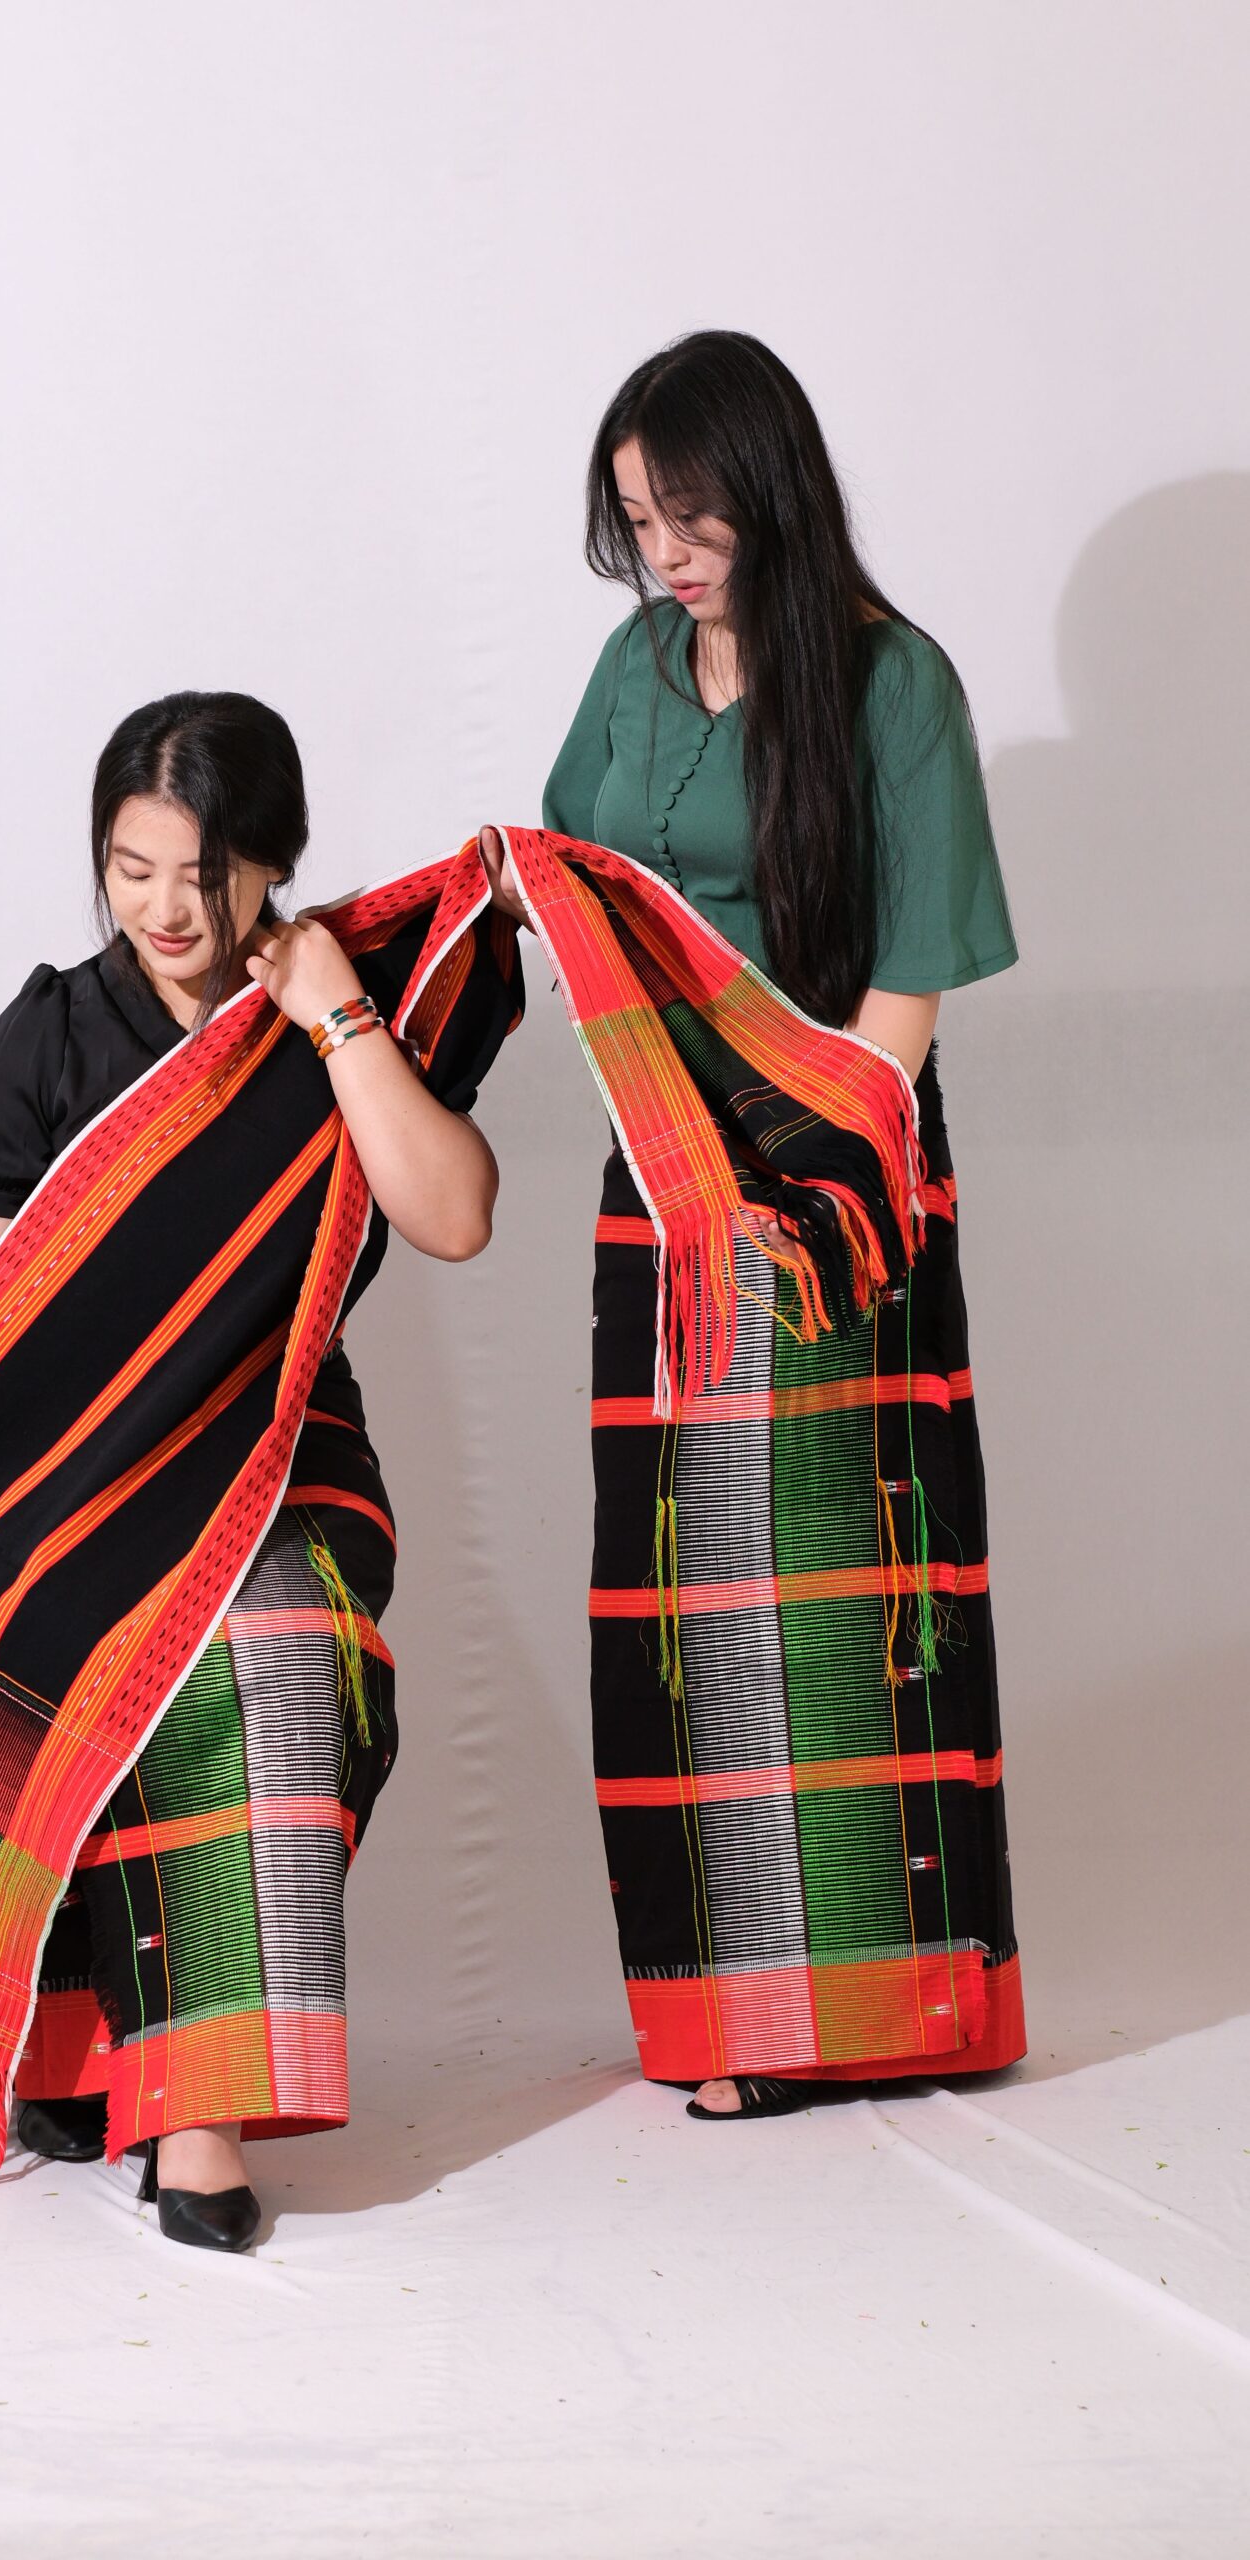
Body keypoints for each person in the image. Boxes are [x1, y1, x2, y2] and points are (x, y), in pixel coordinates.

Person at [0, 691, 512, 2243]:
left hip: (274, 1446)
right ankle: (77, 2044)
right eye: (130, 869)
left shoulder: (351, 1006)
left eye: (203, 875)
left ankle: (198, 2113)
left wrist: (335, 1016)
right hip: (65, 1465)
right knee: (12, 1637)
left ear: (274, 861)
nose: (164, 909)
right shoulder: (52, 1034)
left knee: (268, 1640)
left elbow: (456, 1215)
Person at [483, 330, 1026, 2117]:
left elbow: (909, 983)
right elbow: (565, 879)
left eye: (690, 514)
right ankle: (726, 2007)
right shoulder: (636, 666)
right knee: (681, 1587)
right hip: (661, 1175)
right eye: (637, 521)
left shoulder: (893, 682)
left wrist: (814, 1190)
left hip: (836, 1175)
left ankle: (858, 2017)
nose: (665, 552)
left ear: (770, 490)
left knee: (838, 1587)